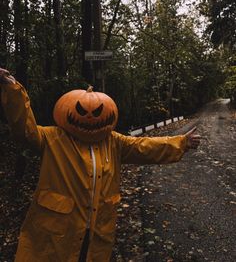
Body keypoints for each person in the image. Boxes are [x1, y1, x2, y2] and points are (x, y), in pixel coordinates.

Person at [0, 68, 201, 262]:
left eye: (98, 112)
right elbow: (24, 131)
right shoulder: (53, 138)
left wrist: (181, 142)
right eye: (80, 110)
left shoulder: (113, 142)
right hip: (57, 235)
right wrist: (12, 89)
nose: (89, 117)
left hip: (96, 234)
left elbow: (144, 146)